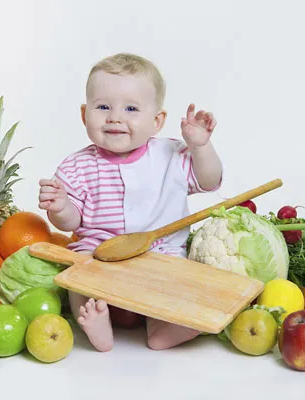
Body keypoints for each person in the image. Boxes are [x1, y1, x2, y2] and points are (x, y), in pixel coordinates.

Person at [38, 53, 223, 352]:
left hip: (162, 254)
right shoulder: (76, 167)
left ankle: (165, 328)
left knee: (179, 287)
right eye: (103, 107)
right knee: (78, 278)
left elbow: (209, 180)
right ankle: (98, 324)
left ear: (157, 121)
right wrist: (59, 208)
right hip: (100, 253)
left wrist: (200, 147)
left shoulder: (171, 156)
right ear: (85, 114)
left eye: (131, 108)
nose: (115, 117)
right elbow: (72, 222)